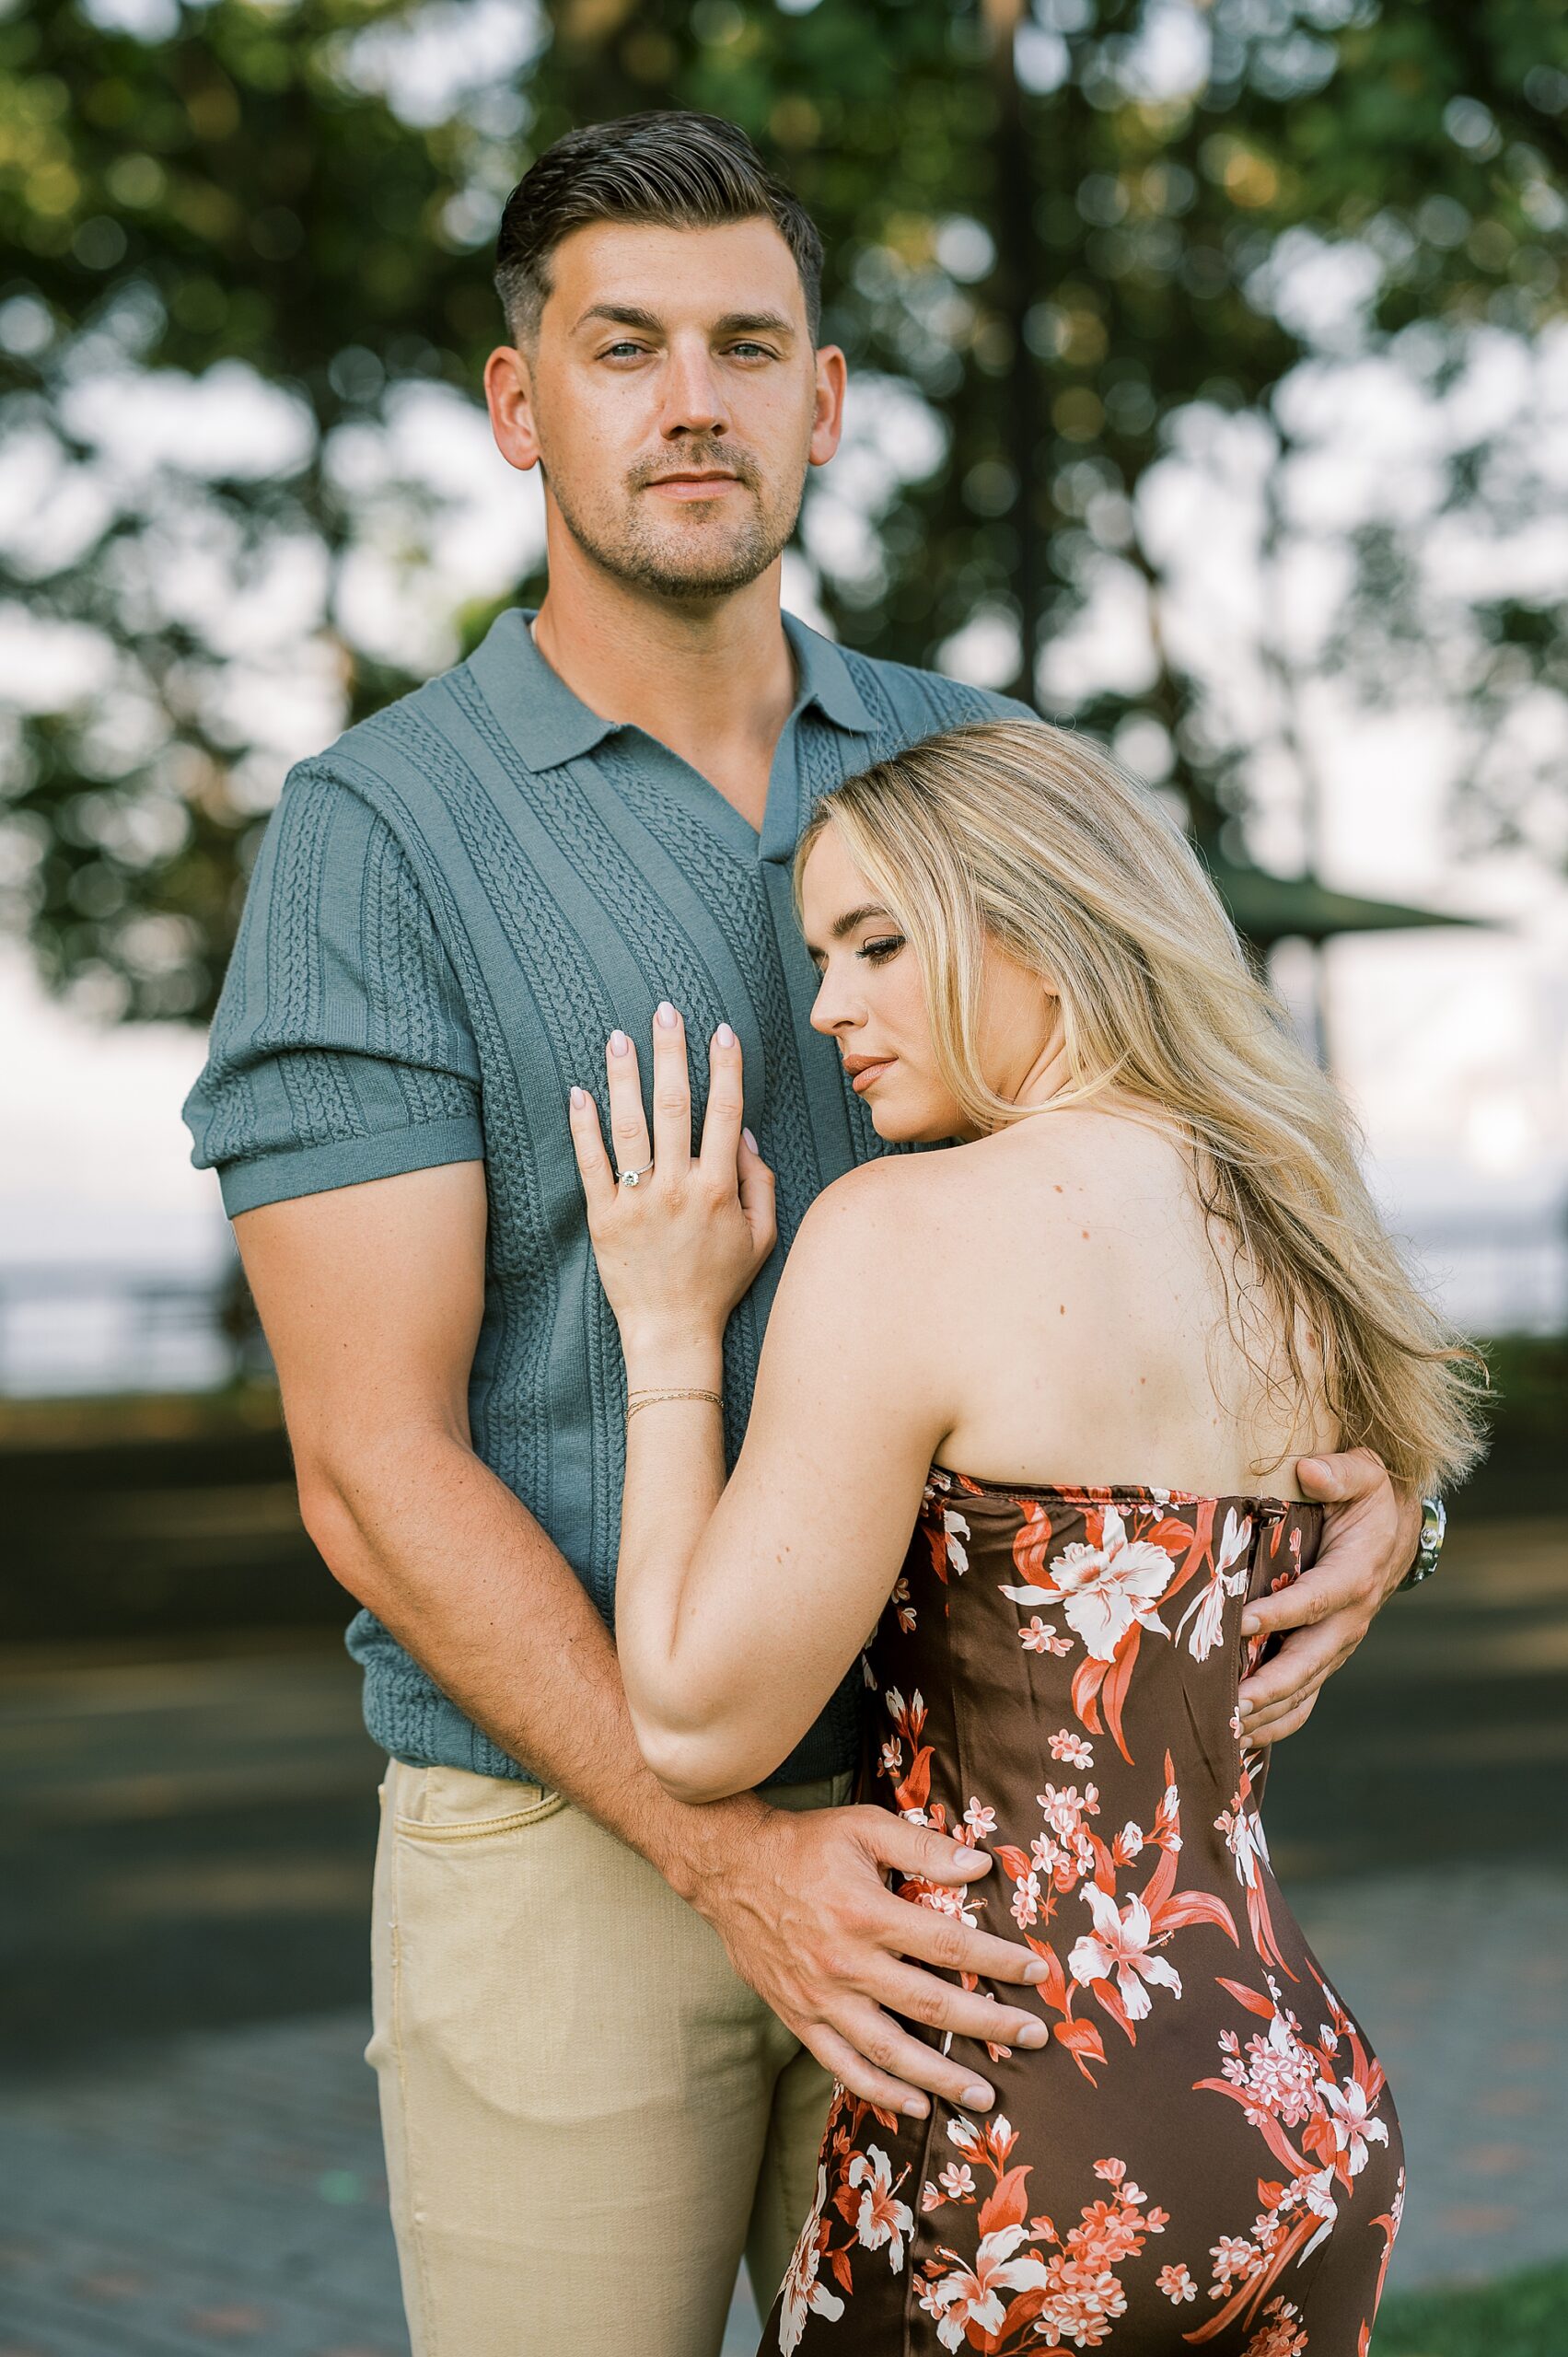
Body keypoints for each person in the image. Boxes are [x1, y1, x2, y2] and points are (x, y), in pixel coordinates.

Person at [181, 111, 1433, 2357]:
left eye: (750, 345)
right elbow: (374, 1471)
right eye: (624, 344)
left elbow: (1242, 1194)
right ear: (516, 401)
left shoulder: (993, 777)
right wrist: (722, 1855)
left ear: (826, 400)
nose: (693, 400)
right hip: (573, 1845)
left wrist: (1382, 1497)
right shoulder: (380, 836)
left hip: (991, 1865)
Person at [569, 721, 1481, 2354]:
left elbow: (700, 1721)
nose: (829, 1006)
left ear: (1040, 926)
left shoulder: (904, 1235)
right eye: (817, 958)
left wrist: (663, 1328)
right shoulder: (1290, 1221)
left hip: (1025, 2156)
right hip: (1300, 2107)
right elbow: (1373, 1510)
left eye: (877, 943)